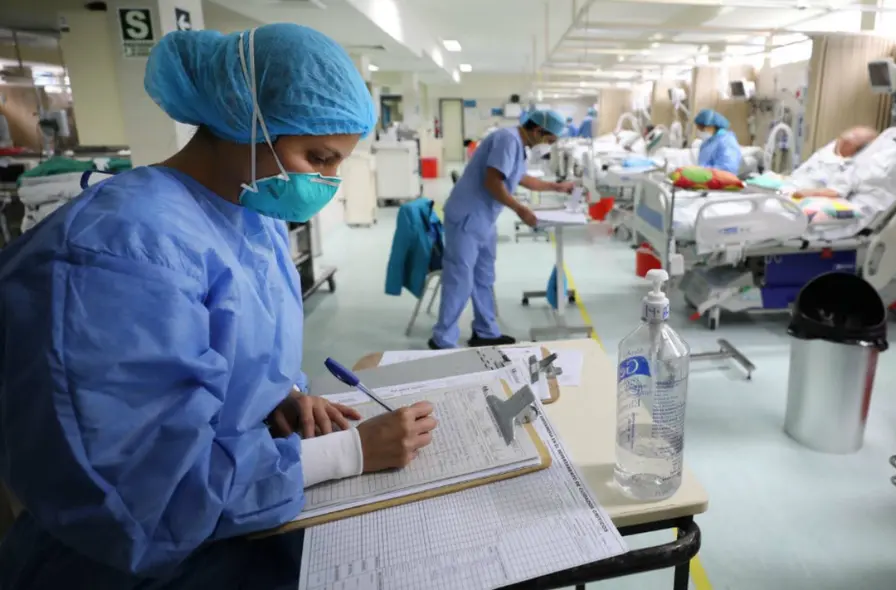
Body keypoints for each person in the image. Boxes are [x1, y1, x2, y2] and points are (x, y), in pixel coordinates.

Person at [0, 24, 438, 589]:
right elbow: (147, 494)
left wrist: (277, 397)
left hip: (235, 516)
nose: (327, 182)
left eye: (337, 164)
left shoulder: (251, 216)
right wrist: (348, 454)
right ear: (245, 118)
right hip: (128, 564)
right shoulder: (121, 253)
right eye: (318, 157)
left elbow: (227, 349)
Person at [430, 110, 575, 350]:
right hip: (468, 216)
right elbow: (493, 182)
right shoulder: (507, 139)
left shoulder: (518, 144)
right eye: (549, 140)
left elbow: (520, 177)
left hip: (484, 218)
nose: (549, 145)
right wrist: (521, 209)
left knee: (484, 276)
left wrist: (557, 187)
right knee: (460, 279)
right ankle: (442, 339)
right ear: (538, 131)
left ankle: (485, 331)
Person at [789, 125, 878, 199]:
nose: (842, 140)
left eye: (855, 137)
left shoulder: (851, 166)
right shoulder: (831, 147)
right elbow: (806, 168)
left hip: (803, 196)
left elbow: (836, 191)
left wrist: (808, 193)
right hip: (791, 185)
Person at [694, 108, 742, 175]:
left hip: (720, 182)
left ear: (714, 126)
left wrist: (703, 173)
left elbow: (728, 169)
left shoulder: (727, 141)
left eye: (702, 127)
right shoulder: (707, 143)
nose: (700, 131)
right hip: (706, 181)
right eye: (698, 128)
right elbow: (703, 165)